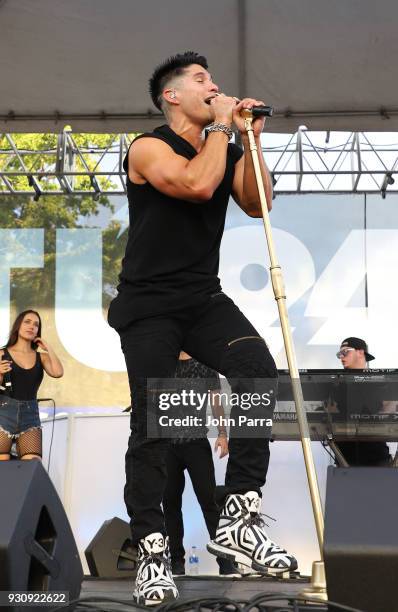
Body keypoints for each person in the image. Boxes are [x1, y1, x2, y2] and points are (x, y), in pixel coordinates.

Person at [108, 51, 297, 606]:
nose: (213, 87)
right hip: (148, 303)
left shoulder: (226, 142)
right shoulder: (147, 147)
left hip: (201, 297)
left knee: (257, 368)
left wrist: (252, 139)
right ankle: (151, 551)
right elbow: (193, 185)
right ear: (172, 96)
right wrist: (221, 127)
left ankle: (239, 511)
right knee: (154, 421)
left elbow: (256, 203)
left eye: (212, 80)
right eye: (201, 81)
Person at [163, 351, 235, 576]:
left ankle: (225, 562)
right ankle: (176, 562)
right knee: (170, 504)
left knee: (209, 501)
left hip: (195, 442)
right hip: (166, 444)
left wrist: (222, 434)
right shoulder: (163, 363)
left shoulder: (205, 364)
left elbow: (216, 402)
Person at [0, 310, 64, 461]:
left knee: (32, 466)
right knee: (2, 468)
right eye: (27, 322)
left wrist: (48, 348)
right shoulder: (2, 353)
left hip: (30, 416)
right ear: (18, 326)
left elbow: (58, 372)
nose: (32, 326)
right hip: (3, 413)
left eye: (36, 324)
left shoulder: (41, 357)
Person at [335, 337, 391, 466]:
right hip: (343, 458)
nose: (341, 357)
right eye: (339, 354)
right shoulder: (336, 384)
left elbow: (391, 408)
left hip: (377, 457)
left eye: (345, 352)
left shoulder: (382, 383)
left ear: (360, 352)